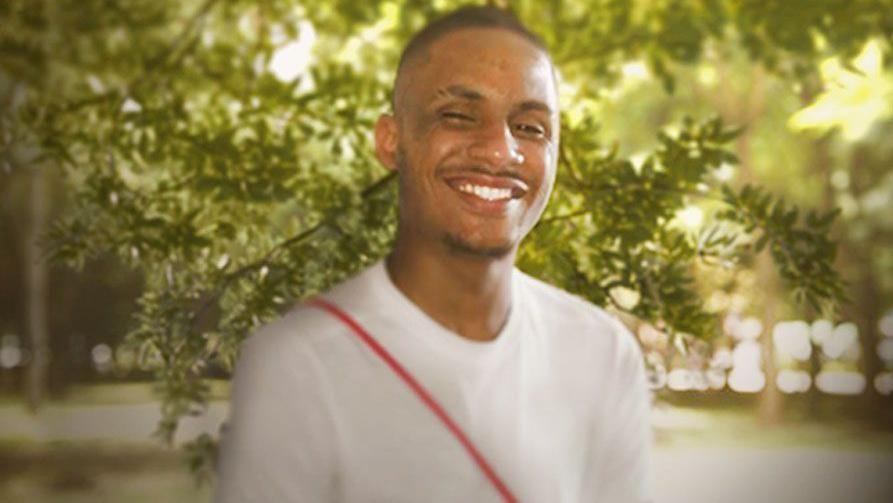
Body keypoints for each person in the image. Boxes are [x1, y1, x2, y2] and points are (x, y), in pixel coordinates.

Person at [215, 5, 653, 502]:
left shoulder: (603, 355)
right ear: (391, 141)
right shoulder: (297, 364)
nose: (498, 151)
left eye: (530, 128)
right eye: (458, 116)